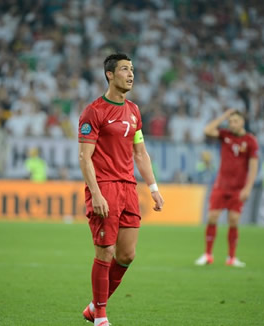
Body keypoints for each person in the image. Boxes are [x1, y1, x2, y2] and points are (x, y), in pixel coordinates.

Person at [78, 53, 164, 326]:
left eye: (133, 70)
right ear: (110, 75)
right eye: (125, 69)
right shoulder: (94, 111)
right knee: (105, 251)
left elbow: (140, 153)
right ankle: (101, 317)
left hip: (129, 188)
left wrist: (153, 187)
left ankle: (94, 306)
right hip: (104, 187)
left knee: (126, 255)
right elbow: (84, 157)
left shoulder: (134, 111)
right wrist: (97, 193)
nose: (131, 75)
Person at [195, 109, 259, 267]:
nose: (232, 124)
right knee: (212, 217)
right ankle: (208, 255)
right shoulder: (225, 135)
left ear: (242, 122)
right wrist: (223, 116)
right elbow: (207, 130)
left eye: (235, 121)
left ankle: (231, 258)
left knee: (234, 220)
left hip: (238, 188)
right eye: (230, 122)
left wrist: (248, 188)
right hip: (221, 185)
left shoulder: (250, 141)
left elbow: (254, 166)